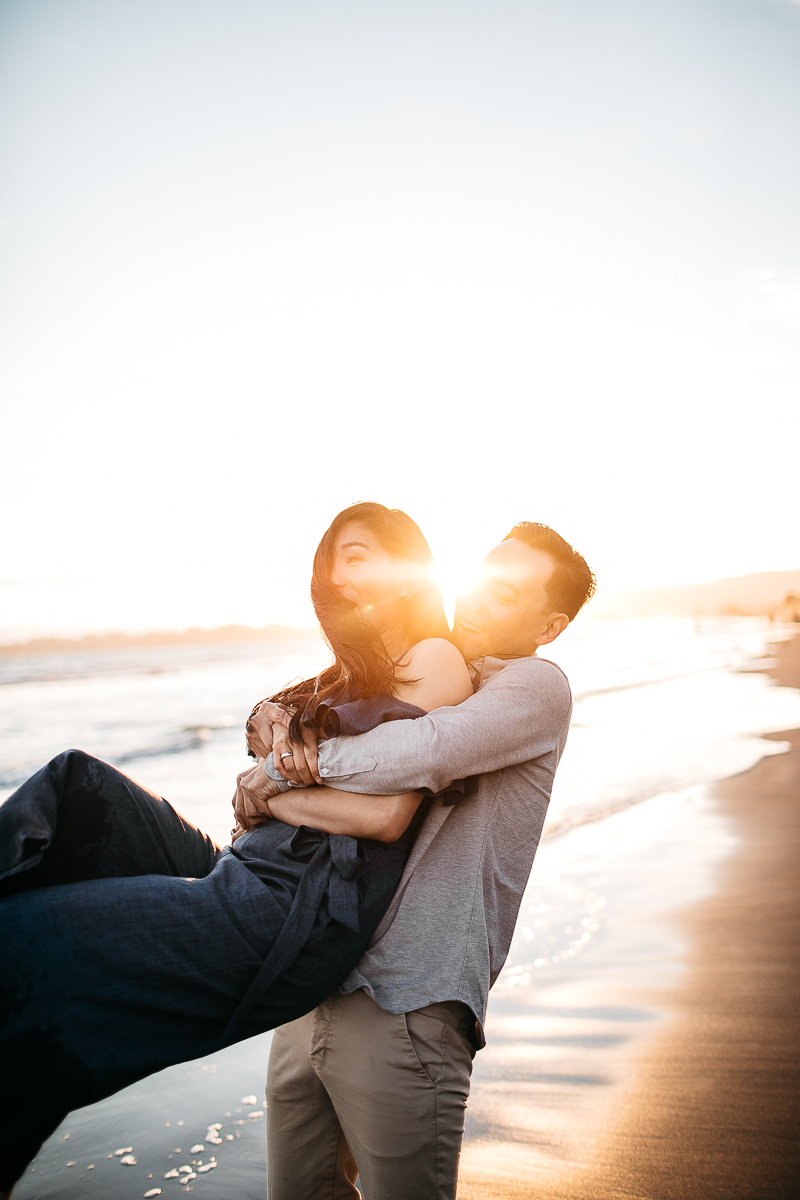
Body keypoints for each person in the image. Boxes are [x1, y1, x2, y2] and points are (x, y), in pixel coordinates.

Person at [0, 502, 473, 1199]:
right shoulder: (349, 675)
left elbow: (386, 819)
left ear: (411, 569)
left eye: (358, 554)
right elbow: (265, 721)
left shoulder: (432, 659)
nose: (338, 574)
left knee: (25, 941)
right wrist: (267, 732)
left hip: (301, 905)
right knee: (79, 785)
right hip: (251, 867)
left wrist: (269, 793)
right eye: (331, 560)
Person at [239, 521, 595, 1200]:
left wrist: (286, 777)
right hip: (316, 978)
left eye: (510, 593)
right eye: (486, 575)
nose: (482, 598)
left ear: (549, 626)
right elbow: (279, 709)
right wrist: (276, 723)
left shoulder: (535, 688)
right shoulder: (422, 662)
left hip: (411, 997)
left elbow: (424, 751)